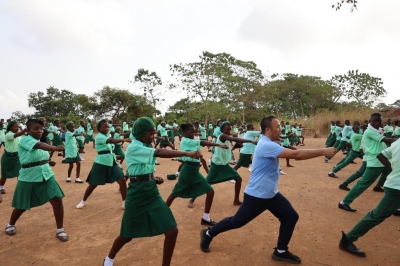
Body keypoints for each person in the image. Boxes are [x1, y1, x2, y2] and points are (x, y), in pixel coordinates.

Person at [199, 116, 336, 264]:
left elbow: (290, 150)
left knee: (290, 217)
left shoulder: (270, 143)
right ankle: (208, 233)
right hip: (257, 196)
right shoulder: (266, 145)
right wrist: (323, 151)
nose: (280, 129)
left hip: (271, 194)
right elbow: (296, 155)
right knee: (236, 222)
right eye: (277, 127)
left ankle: (281, 251)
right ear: (268, 129)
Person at [103, 117, 201, 266]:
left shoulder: (143, 145)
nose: (153, 137)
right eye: (150, 134)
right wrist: (186, 154)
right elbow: (159, 152)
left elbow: (137, 169)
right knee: (127, 234)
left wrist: (152, 178)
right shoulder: (134, 147)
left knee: (172, 231)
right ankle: (109, 258)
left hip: (151, 192)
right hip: (137, 194)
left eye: (154, 134)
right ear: (140, 133)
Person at [4, 119, 68, 241]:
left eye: (41, 129)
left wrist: (48, 161)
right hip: (29, 177)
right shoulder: (26, 140)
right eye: (35, 129)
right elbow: (39, 146)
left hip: (46, 175)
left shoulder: (39, 140)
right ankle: (11, 224)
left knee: (57, 199)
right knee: (22, 205)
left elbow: (38, 153)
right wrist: (54, 148)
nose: (39, 131)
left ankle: (60, 229)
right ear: (28, 130)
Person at [339, 139, 400, 257]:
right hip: (396, 188)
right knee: (377, 215)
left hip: (394, 184)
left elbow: (382, 155)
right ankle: (348, 239)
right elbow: (380, 154)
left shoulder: (397, 142)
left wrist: (393, 169)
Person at [166, 123, 229, 226]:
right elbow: (202, 142)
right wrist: (218, 144)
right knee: (175, 193)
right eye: (191, 132)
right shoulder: (186, 141)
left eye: (194, 132)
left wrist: (201, 159)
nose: (193, 134)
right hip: (188, 171)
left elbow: (199, 154)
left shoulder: (190, 141)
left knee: (210, 191)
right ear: (184, 133)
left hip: (194, 171)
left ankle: (205, 218)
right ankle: (163, 213)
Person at [338, 113, 396, 212]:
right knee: (364, 183)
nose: (377, 123)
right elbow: (388, 140)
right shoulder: (369, 132)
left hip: (383, 160)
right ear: (370, 121)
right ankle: (344, 202)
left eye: (379, 121)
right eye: (374, 121)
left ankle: (394, 205)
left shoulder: (377, 131)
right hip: (376, 161)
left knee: (395, 178)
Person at [76, 120, 132, 210]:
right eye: (104, 127)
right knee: (93, 184)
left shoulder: (107, 135)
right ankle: (83, 201)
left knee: (122, 180)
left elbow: (109, 148)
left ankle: (124, 202)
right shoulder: (99, 137)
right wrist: (124, 139)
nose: (107, 128)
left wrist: (114, 155)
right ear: (99, 128)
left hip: (112, 161)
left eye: (107, 127)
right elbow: (111, 140)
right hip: (101, 162)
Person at [206, 121, 257, 205]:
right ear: (222, 129)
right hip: (216, 164)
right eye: (227, 129)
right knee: (206, 183)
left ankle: (236, 200)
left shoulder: (226, 137)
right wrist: (250, 141)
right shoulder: (223, 136)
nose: (229, 131)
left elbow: (235, 141)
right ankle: (192, 199)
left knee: (238, 179)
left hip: (224, 164)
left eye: (230, 129)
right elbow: (235, 139)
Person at [0, 121, 27, 194]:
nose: (17, 128)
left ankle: (20, 188)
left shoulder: (20, 135)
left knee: (20, 173)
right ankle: (1, 187)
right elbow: (16, 135)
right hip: (8, 157)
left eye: (18, 127)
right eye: (15, 127)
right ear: (10, 127)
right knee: (4, 174)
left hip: (17, 157)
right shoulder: (8, 134)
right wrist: (24, 130)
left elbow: (25, 135)